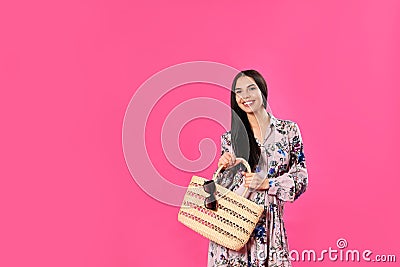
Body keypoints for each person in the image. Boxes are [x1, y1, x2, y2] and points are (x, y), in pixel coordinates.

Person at [207, 70, 308, 267]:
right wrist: (225, 167)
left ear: (263, 91)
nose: (245, 96)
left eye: (251, 88)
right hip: (234, 230)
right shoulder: (230, 139)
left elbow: (301, 178)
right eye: (239, 92)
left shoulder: (288, 131)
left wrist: (267, 184)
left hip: (270, 228)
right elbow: (221, 193)